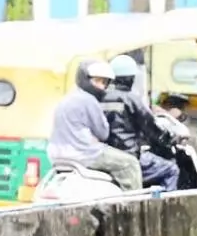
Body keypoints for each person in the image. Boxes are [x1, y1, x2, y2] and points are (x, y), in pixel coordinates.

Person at [48, 59, 143, 190]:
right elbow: (103, 133)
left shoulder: (68, 97)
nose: (101, 86)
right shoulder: (89, 100)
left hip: (57, 156)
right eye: (97, 81)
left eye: (103, 82)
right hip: (84, 153)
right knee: (130, 163)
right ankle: (133, 202)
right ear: (85, 79)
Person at [102, 55, 179, 189]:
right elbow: (151, 127)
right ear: (131, 78)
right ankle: (166, 203)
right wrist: (168, 138)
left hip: (104, 156)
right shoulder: (132, 100)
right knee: (171, 170)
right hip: (128, 156)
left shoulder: (99, 97)